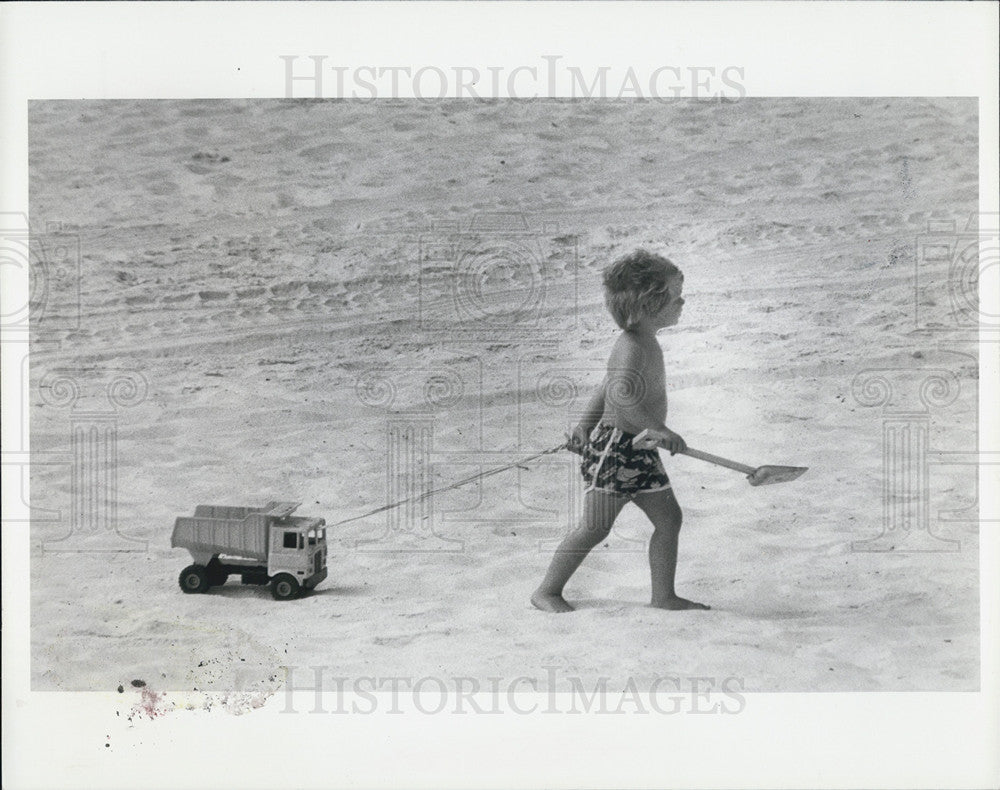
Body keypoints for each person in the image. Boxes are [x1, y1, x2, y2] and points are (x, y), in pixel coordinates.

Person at [531, 249, 710, 613]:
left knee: (669, 519)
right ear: (649, 305)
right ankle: (547, 591)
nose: (683, 302)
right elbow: (621, 393)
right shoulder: (631, 346)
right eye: (676, 297)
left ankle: (663, 596)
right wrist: (658, 427)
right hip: (616, 450)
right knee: (595, 528)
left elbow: (606, 386)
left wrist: (583, 425)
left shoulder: (646, 342)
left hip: (640, 448)